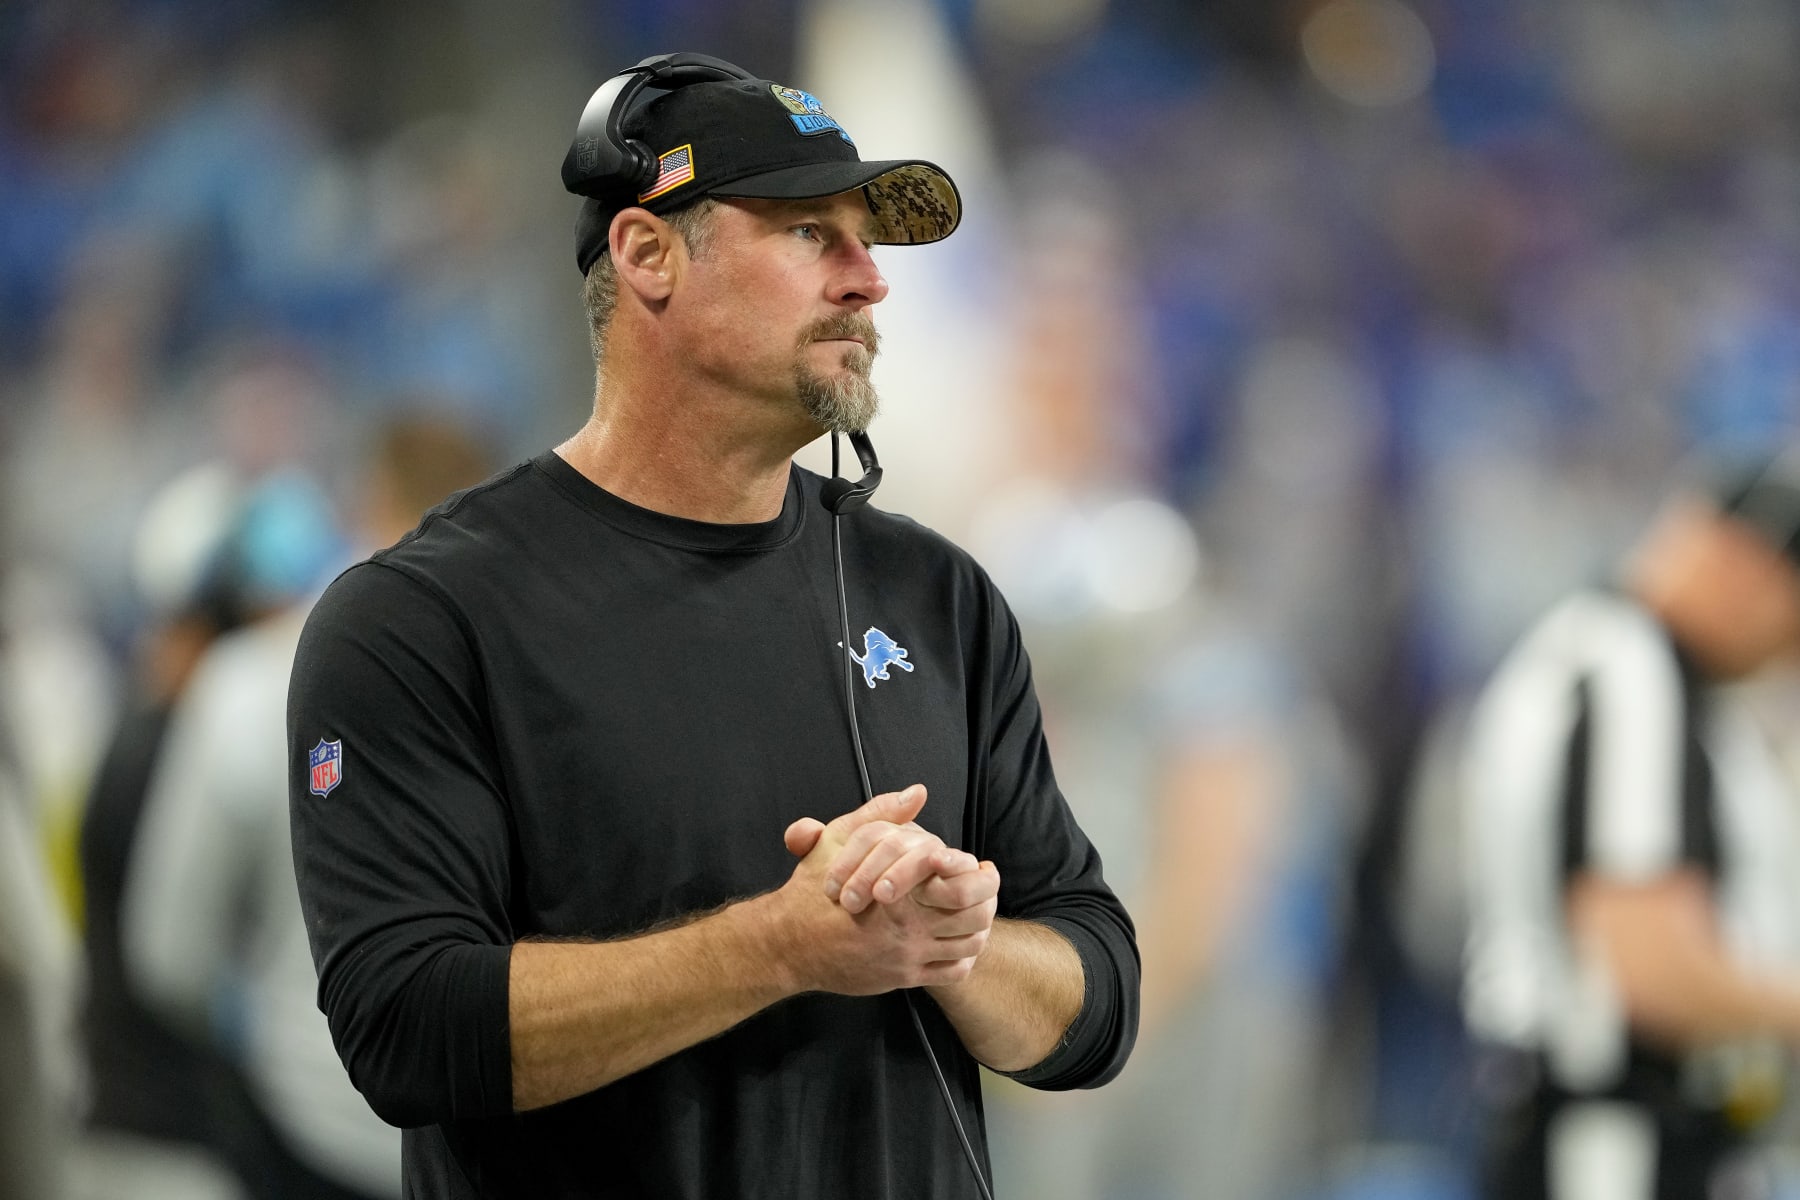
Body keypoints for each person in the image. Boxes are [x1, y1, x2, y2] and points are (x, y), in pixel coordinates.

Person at [285, 53, 1138, 1200]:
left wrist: (951, 946)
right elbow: (405, 1029)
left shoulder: (935, 596)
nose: (868, 282)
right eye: (809, 234)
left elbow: (1098, 996)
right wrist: (781, 947)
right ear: (645, 255)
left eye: (866, 239)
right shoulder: (425, 618)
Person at [126, 419, 495, 1200]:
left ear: (368, 499)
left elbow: (170, 952)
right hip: (489, 1130)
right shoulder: (534, 681)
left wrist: (249, 1018)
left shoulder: (249, 683)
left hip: (306, 1126)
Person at [1462, 450, 1800, 1200]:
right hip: (1617, 1144)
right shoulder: (1633, 678)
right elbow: (1651, 966)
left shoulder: (1618, 660)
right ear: (1752, 569)